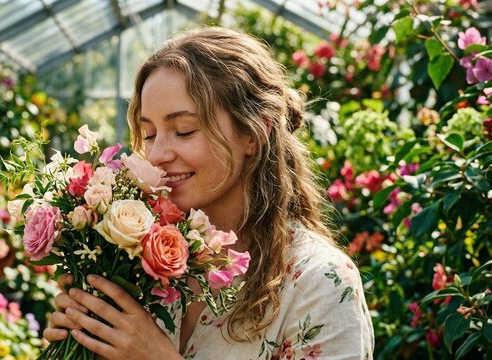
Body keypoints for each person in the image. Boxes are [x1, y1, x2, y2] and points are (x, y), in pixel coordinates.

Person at [43, 27, 374, 359]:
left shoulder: (320, 283)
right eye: (149, 133)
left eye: (184, 130)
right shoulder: (136, 260)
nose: (157, 154)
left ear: (254, 134)